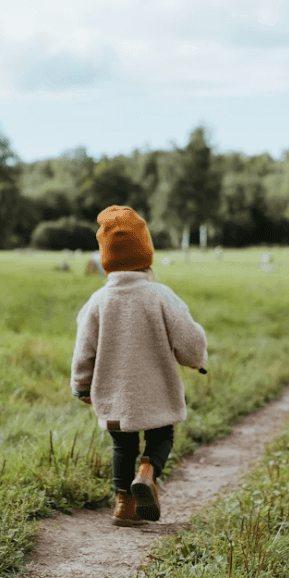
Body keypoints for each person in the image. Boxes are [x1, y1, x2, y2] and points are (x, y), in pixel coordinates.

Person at [71, 206, 208, 527]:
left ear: (105, 259)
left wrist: (81, 385)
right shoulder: (161, 296)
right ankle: (148, 472)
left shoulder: (97, 302)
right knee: (162, 435)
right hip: (157, 390)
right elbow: (188, 340)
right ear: (146, 252)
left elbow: (83, 350)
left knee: (122, 445)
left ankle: (123, 505)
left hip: (114, 393)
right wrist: (197, 360)